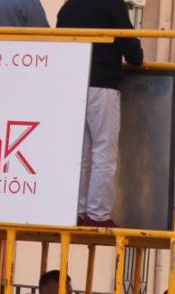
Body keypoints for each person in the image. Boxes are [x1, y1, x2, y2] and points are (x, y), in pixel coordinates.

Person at [58, 0, 144, 229]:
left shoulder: (69, 7)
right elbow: (132, 51)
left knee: (81, 154)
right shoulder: (111, 4)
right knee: (104, 153)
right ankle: (97, 215)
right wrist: (137, 56)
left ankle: (75, 211)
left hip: (73, 85)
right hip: (102, 85)